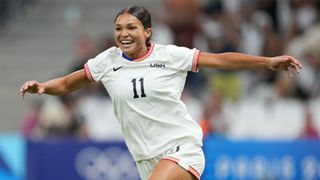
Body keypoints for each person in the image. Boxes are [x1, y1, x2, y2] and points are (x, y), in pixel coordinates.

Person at [20, 5, 302, 180]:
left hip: (181, 148)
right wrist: (44, 87)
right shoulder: (107, 61)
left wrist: (267, 61)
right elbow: (70, 83)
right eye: (118, 28)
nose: (123, 33)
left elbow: (221, 59)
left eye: (131, 27)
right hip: (145, 159)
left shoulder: (171, 56)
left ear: (148, 32)